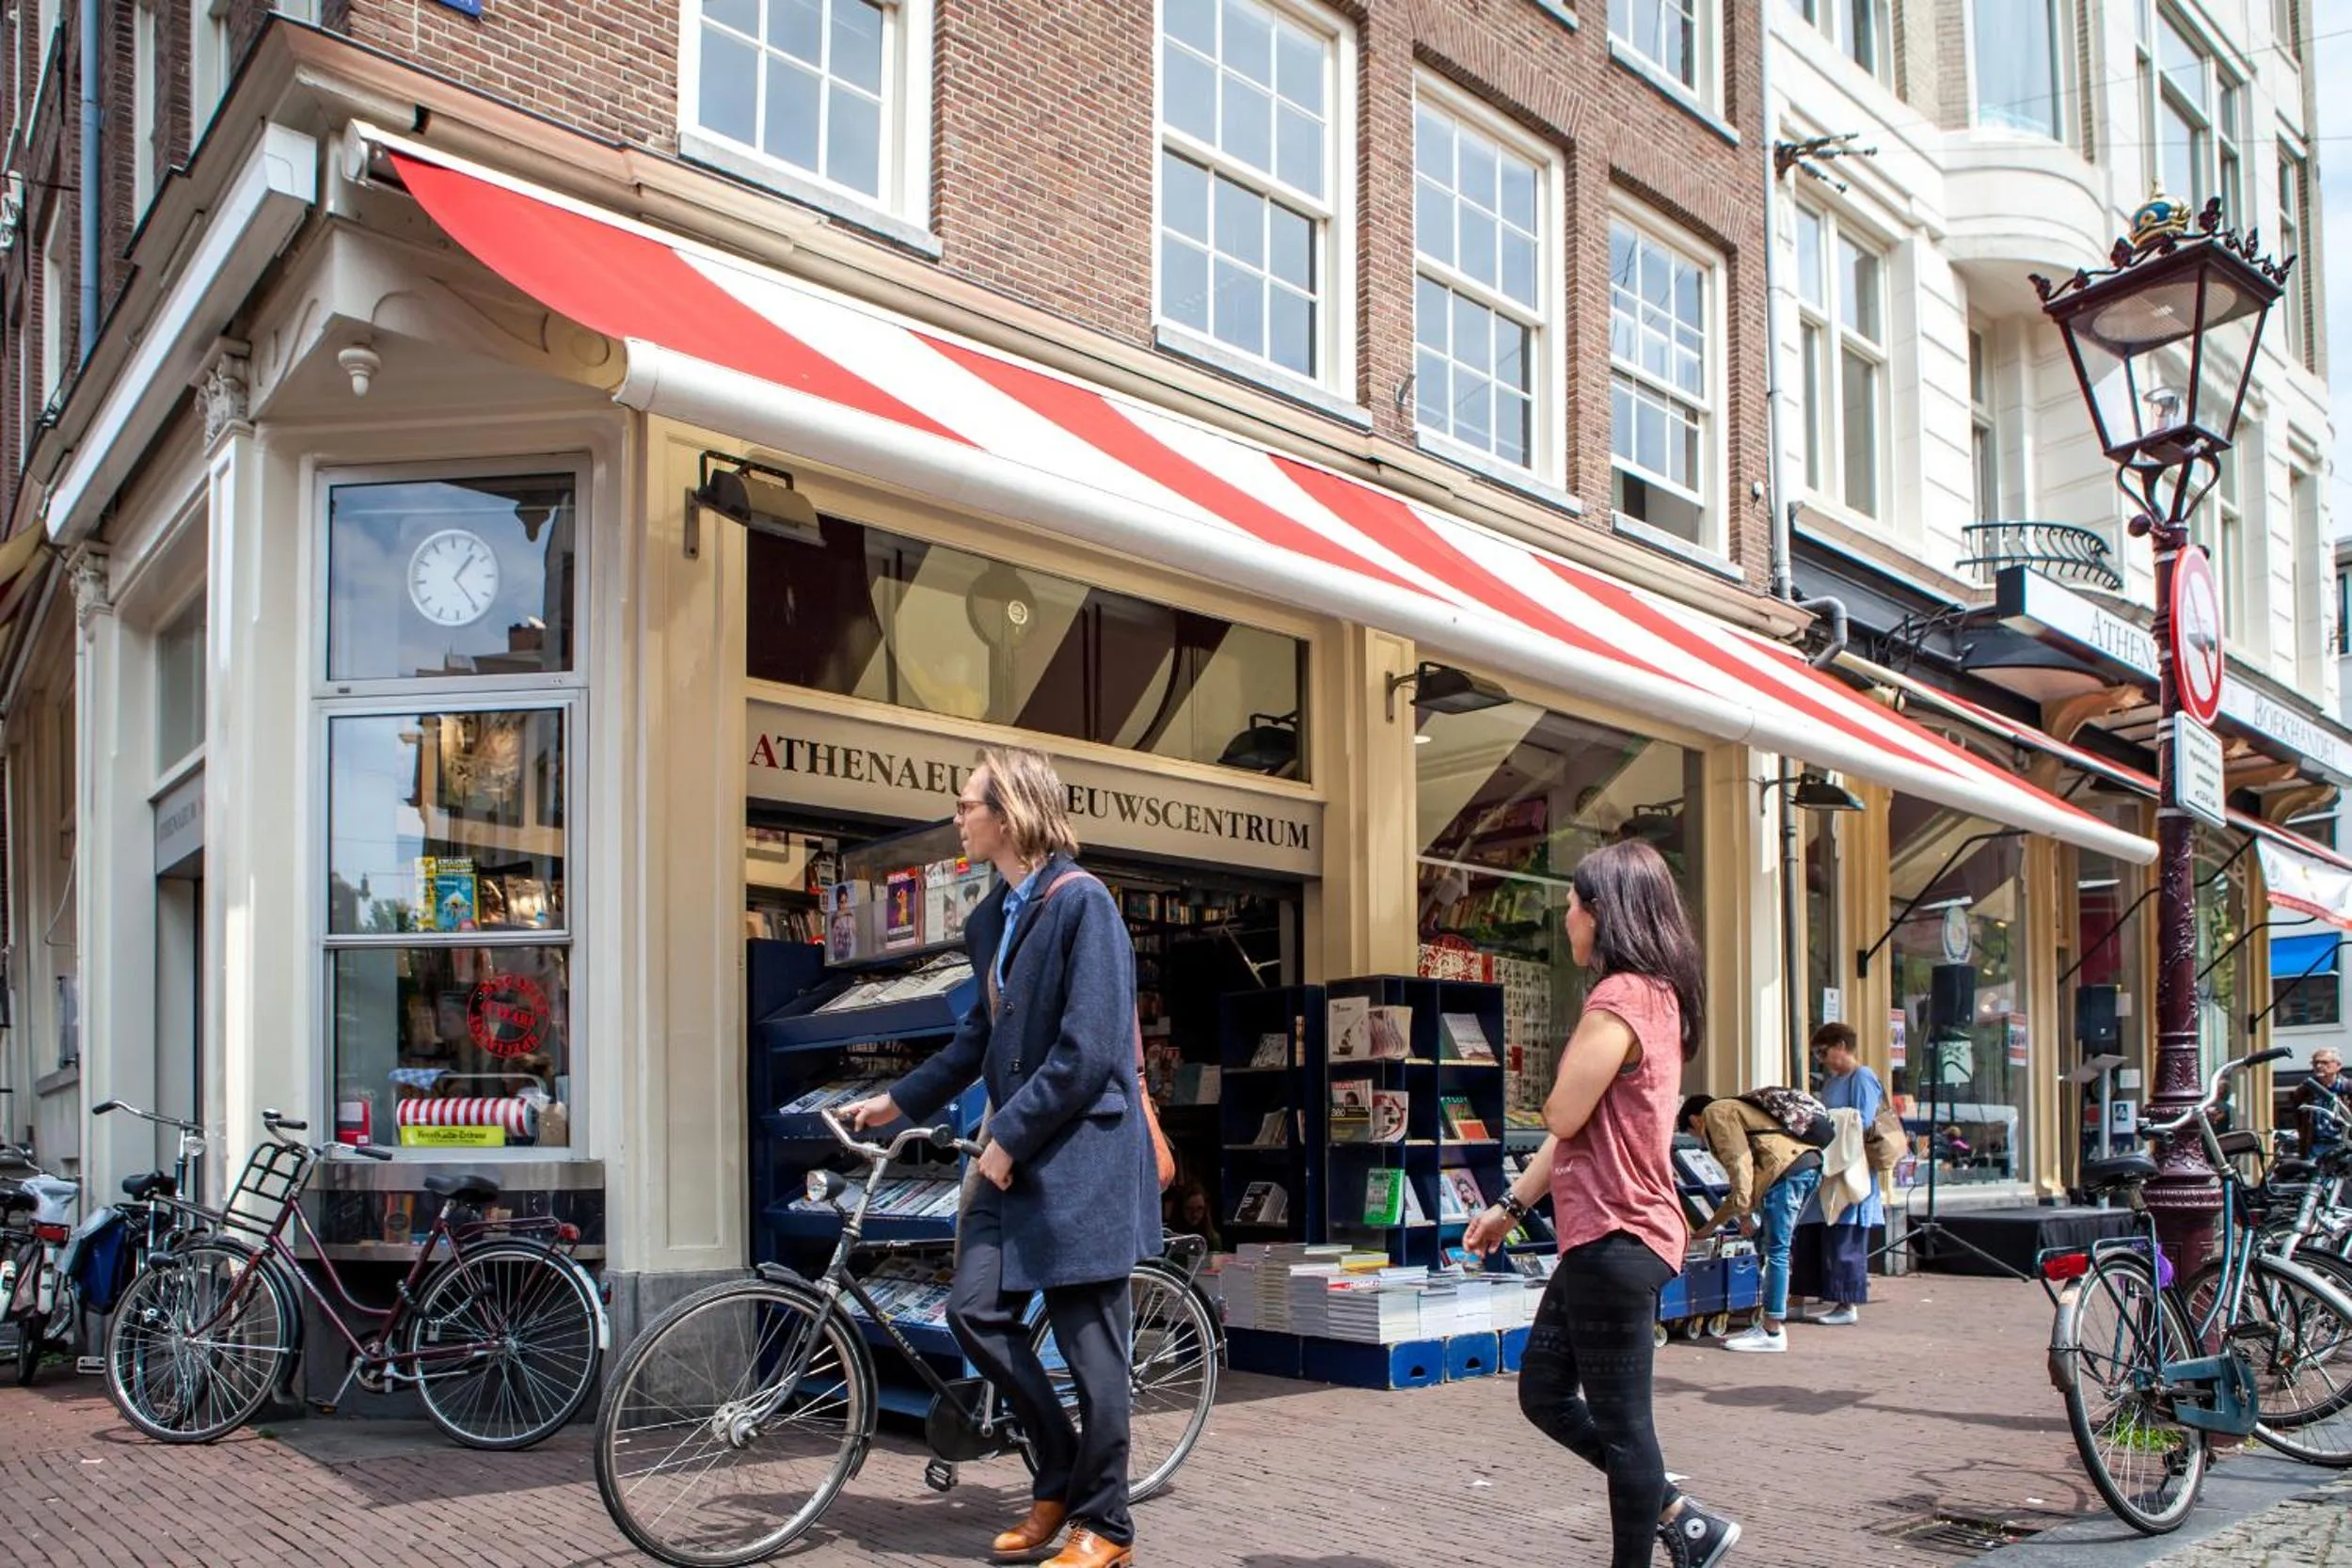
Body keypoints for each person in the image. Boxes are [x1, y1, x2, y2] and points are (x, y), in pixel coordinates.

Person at [844, 747, 1159, 1568]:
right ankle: (1056, 1472)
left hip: (1080, 1159)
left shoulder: (1083, 904)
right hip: (1013, 1153)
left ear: (1010, 813)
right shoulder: (993, 915)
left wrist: (1008, 1136)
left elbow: (1088, 1050)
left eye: (966, 804)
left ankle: (1108, 1525)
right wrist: (898, 1101)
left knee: (1094, 1352)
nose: (958, 817)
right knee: (972, 1311)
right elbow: (976, 1041)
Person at [1462, 840, 1741, 1568]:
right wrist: (1508, 1209)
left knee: (1625, 1426)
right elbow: (1577, 1133)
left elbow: (1559, 1113)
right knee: (1544, 1391)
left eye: (1572, 907)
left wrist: (1561, 1081)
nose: (1565, 921)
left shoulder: (1619, 998)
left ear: (1603, 912)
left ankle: (1660, 1543)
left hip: (1617, 1236)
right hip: (1611, 1236)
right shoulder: (1661, 997)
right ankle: (1684, 1519)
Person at [1682, 1091, 1823, 1354]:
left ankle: (1772, 1330)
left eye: (1695, 1135)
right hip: (1803, 1165)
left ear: (1694, 1119)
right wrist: (1721, 1223)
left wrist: (1739, 1216)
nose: (1701, 1142)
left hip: (1786, 1173)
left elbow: (1740, 1165)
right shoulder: (1735, 1108)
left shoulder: (1717, 1113)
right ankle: (1766, 1322)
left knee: (1776, 1251)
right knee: (1767, 1245)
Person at [1791, 1023, 1884, 1325]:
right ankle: (1803, 1295)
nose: (1822, 1059)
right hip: (1829, 1166)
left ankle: (1847, 1303)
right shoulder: (1832, 1083)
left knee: (1845, 1234)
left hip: (1850, 1168)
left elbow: (1863, 1121)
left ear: (1841, 1046)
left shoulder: (1863, 1077)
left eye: (1824, 1051)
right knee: (1813, 1231)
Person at [2296, 1049, 2348, 1156]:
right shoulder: (2305, 1089)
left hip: (2343, 1146)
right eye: (2315, 1063)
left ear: (2338, 1066)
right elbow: (2298, 1118)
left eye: (2324, 1062)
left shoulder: (2348, 1088)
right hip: (2315, 1147)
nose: (2319, 1066)